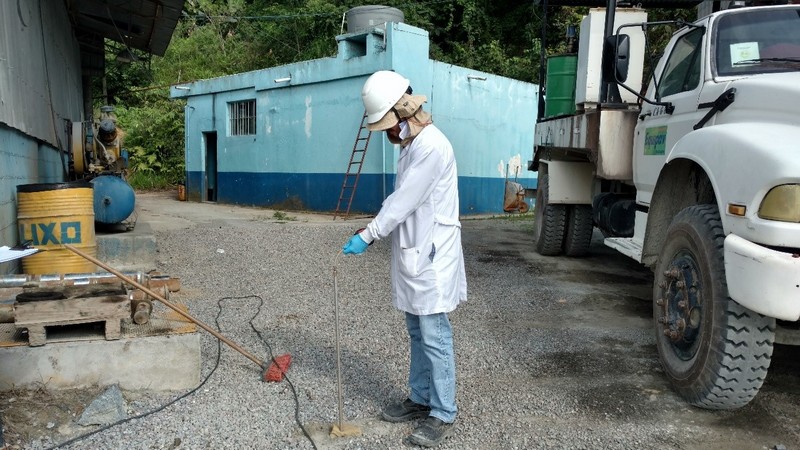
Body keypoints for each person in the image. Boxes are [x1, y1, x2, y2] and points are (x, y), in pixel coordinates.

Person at [342, 70, 467, 448]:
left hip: (432, 254)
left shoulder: (431, 147)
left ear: (404, 112)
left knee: (434, 333)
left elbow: (403, 201)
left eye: (389, 127)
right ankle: (419, 397)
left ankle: (443, 412)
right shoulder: (412, 145)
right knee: (416, 330)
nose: (389, 135)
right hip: (416, 252)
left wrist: (368, 234)